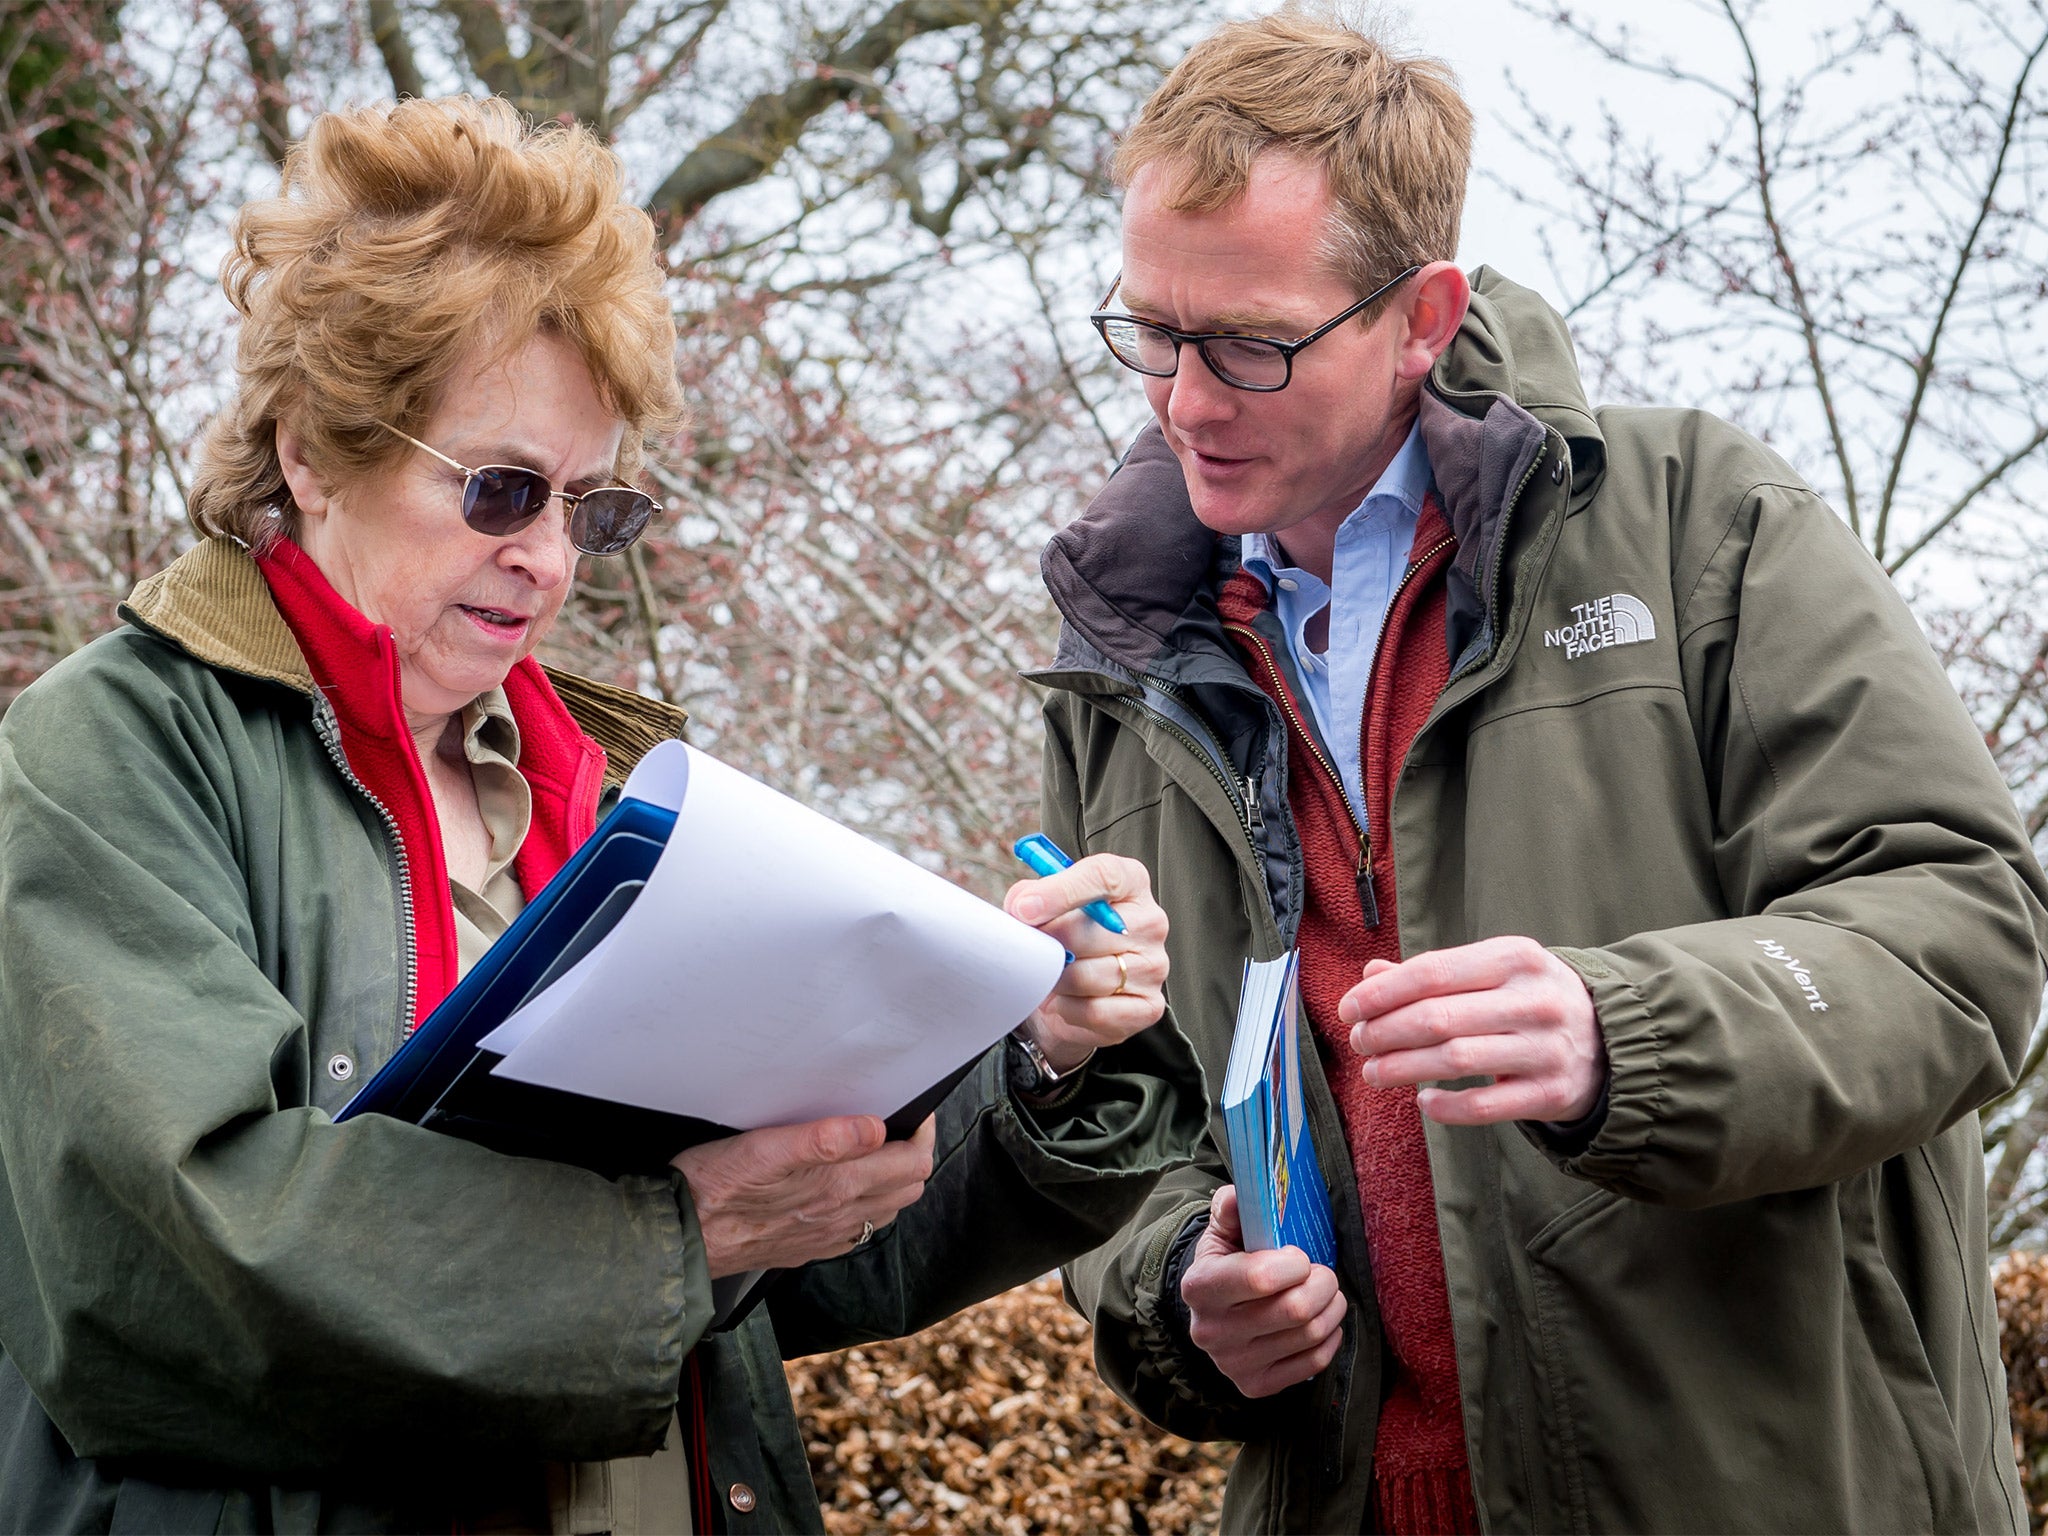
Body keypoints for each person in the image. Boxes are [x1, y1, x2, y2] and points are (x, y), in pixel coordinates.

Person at [0, 95, 1204, 1535]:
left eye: (593, 510)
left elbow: (796, 1257)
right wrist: (672, 1243)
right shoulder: (116, 748)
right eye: (502, 490)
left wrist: (1031, 1051)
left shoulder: (614, 795)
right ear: (312, 449)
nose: (550, 562)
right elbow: (168, 1258)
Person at [1040, 11, 2048, 1534]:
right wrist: (1183, 1293)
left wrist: (1627, 1032)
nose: (1184, 399)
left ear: (1424, 315)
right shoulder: (1113, 672)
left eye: (1252, 344)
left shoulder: (1704, 525)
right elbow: (1122, 1120)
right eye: (1154, 332)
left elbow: (1969, 935)